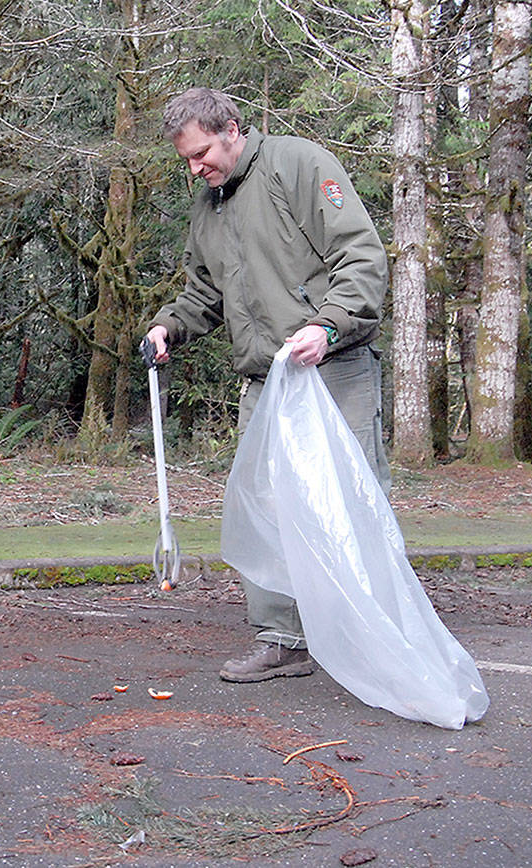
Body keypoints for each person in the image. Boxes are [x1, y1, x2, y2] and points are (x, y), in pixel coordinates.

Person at [144, 87, 392, 683]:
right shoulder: (209, 206)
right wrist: (170, 325)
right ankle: (284, 637)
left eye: (203, 153)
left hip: (334, 368)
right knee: (269, 506)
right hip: (268, 379)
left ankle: (376, 630)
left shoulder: (299, 164)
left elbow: (360, 256)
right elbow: (207, 289)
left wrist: (327, 325)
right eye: (187, 160)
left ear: (232, 128)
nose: (196, 168)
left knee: (352, 502)